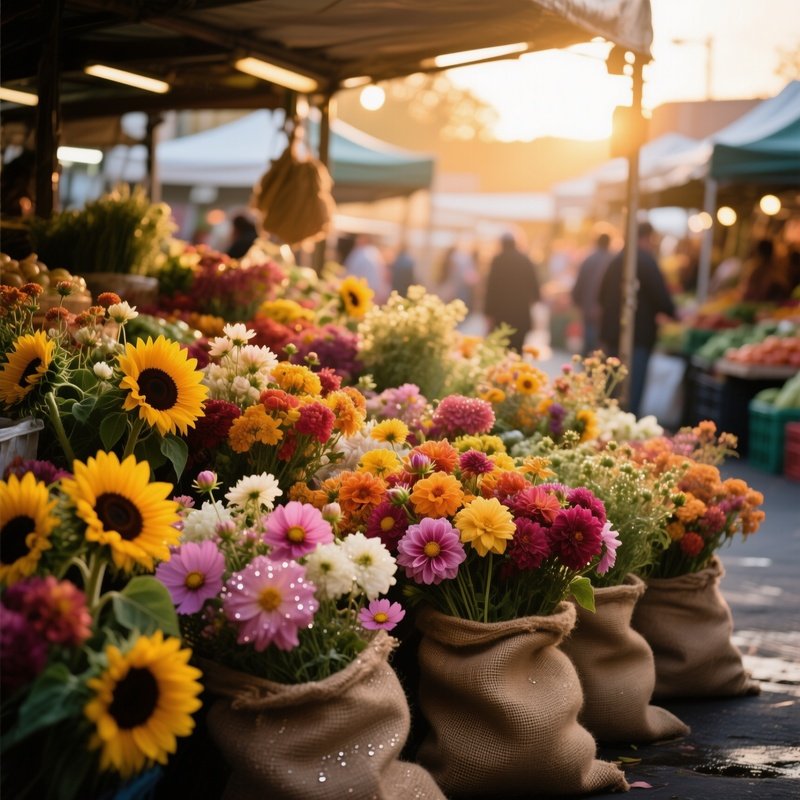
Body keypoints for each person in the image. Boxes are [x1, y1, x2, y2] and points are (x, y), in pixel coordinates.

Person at [599, 221, 676, 418]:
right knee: (632, 388)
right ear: (647, 237)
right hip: (638, 335)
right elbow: (661, 297)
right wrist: (673, 313)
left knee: (612, 385)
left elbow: (600, 296)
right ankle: (626, 423)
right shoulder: (645, 261)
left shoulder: (617, 260)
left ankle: (609, 421)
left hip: (613, 333)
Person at [484, 232, 541, 352]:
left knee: (500, 350)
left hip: (501, 314)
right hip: (521, 314)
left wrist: (488, 313)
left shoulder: (497, 261)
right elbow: (536, 291)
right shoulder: (526, 260)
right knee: (517, 350)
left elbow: (490, 289)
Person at [570, 232, 612, 355]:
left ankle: (587, 366)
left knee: (589, 341)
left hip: (588, 307)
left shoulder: (588, 259)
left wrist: (577, 302)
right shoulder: (612, 260)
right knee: (602, 343)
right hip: (605, 310)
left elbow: (579, 283)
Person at [343, 233, 390, 303]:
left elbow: (348, 272)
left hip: (359, 293)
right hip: (373, 293)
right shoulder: (375, 253)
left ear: (364, 240)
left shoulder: (359, 253)